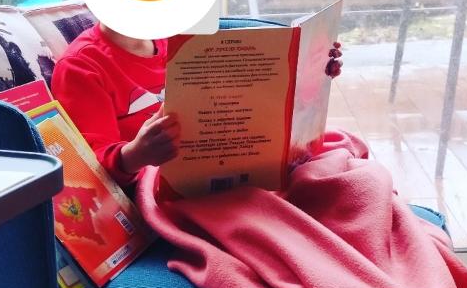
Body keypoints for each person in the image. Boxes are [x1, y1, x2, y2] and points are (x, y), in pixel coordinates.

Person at [51, 21, 342, 188]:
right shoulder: (81, 67)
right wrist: (135, 155)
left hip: (233, 161)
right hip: (165, 188)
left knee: (338, 162)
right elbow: (85, 170)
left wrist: (313, 71)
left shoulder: (179, 41)